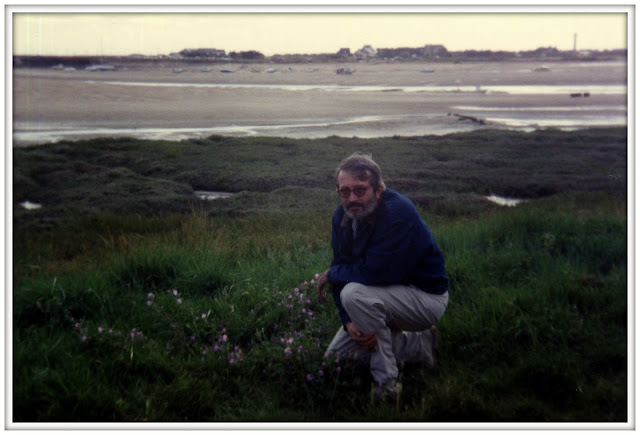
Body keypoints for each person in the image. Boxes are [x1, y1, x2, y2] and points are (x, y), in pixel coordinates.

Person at [316, 153, 449, 401]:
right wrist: (348, 322)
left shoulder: (397, 212)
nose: (352, 199)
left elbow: (378, 272)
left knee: (353, 293)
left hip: (424, 297)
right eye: (345, 192)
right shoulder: (341, 218)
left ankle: (385, 385)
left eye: (360, 190)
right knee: (338, 359)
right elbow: (341, 269)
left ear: (379, 189)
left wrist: (332, 275)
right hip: (379, 297)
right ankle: (418, 345)